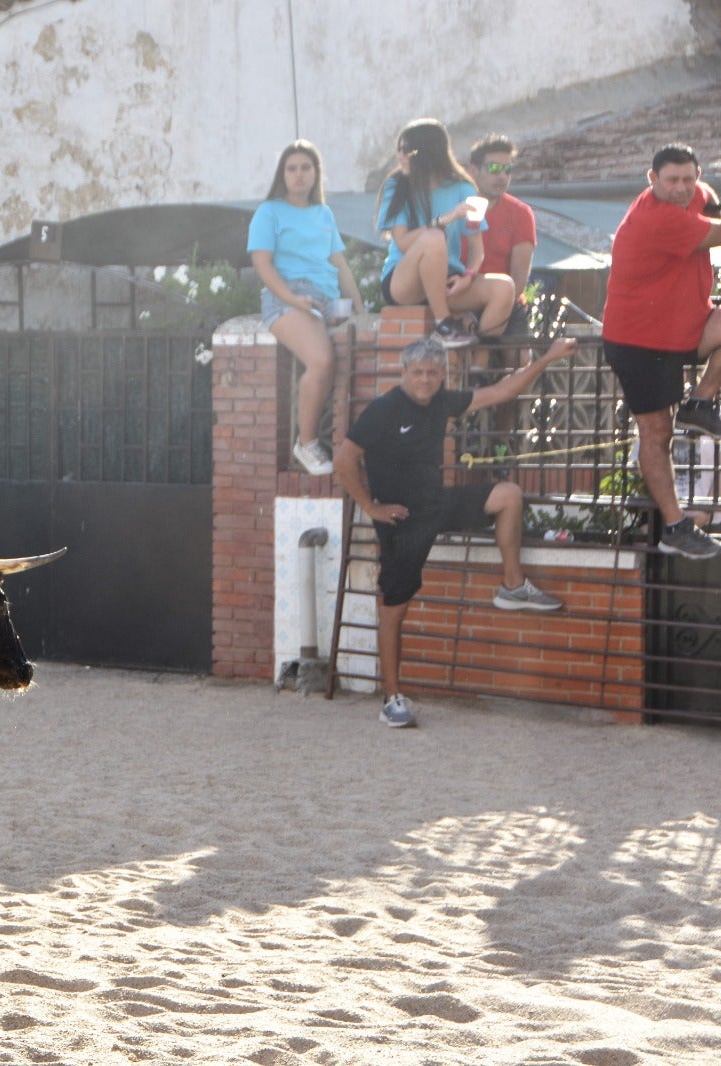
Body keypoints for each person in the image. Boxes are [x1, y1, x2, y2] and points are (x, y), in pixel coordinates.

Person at [333, 336, 578, 727]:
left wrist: (546, 358)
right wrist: (371, 507)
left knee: (509, 495)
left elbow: (502, 390)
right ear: (405, 373)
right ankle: (392, 698)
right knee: (394, 609)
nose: (426, 380)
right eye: (418, 373)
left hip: (437, 504)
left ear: (442, 374)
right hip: (401, 520)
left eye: (433, 372)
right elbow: (345, 459)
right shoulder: (383, 409)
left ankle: (513, 586)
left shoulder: (444, 400)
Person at [601, 143, 721, 560]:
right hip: (639, 342)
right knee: (657, 434)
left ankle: (701, 402)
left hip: (681, 328)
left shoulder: (694, 193)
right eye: (672, 180)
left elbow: (709, 198)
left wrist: (707, 196)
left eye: (689, 178)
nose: (682, 188)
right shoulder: (658, 217)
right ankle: (675, 526)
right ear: (652, 180)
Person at [247, 139, 366, 476]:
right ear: (282, 175)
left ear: (316, 174)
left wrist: (359, 308)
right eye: (291, 168)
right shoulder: (268, 212)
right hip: (290, 296)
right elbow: (262, 264)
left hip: (327, 298)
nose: (299, 175)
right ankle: (307, 441)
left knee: (362, 352)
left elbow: (340, 264)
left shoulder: (323, 213)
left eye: (306, 168)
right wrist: (291, 299)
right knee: (321, 359)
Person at [375, 118, 516, 349]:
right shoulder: (396, 185)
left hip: (447, 281)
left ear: (426, 153)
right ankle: (443, 324)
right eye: (398, 149)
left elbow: (477, 250)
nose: (399, 156)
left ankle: (477, 364)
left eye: (405, 150)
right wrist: (445, 219)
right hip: (405, 281)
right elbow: (401, 243)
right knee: (433, 237)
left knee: (504, 287)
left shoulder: (463, 188)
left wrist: (468, 277)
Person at [468, 133, 537, 336]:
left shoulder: (521, 214)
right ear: (473, 171)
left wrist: (495, 314)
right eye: (494, 168)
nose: (502, 176)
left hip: (506, 301)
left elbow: (518, 281)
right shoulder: (459, 209)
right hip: (462, 300)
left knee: (519, 358)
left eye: (507, 170)